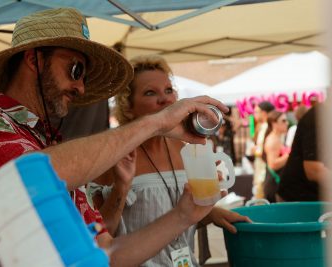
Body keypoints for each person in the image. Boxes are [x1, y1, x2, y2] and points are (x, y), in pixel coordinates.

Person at [0, 8, 235, 267]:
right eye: (76, 70)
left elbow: (104, 250)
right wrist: (156, 124)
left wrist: (184, 216)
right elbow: (31, 177)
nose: (81, 88)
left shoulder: (52, 145)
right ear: (34, 60)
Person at [90, 55, 251, 266]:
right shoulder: (115, 154)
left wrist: (210, 214)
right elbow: (99, 238)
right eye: (150, 92)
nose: (165, 99)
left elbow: (174, 217)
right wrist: (121, 187)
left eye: (168, 90)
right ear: (128, 107)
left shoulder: (183, 148)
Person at [277, 103, 330, 201]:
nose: (286, 123)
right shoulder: (318, 117)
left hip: (311, 197)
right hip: (298, 199)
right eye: (283, 121)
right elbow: (314, 170)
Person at [262, 110, 290, 203]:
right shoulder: (273, 140)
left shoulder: (277, 138)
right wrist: (289, 155)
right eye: (283, 121)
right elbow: (273, 164)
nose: (287, 123)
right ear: (274, 123)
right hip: (274, 185)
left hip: (276, 184)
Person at [251, 101, 275, 199]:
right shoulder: (262, 126)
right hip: (261, 170)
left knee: (261, 200)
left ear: (264, 113)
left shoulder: (268, 127)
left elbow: (266, 151)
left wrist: (256, 151)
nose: (254, 114)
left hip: (265, 172)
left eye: (256, 112)